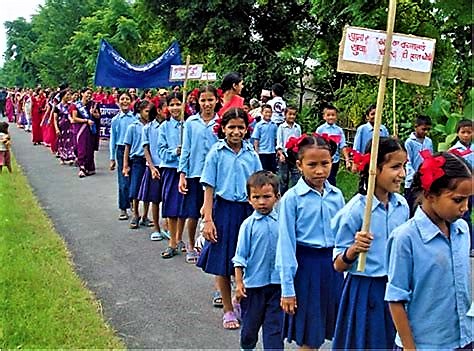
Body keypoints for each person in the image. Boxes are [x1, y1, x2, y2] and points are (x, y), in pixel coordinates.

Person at [385, 151, 473, 350]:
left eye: (468, 200)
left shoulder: (462, 230)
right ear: (430, 195)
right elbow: (395, 299)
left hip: (463, 339)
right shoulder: (405, 238)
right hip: (425, 344)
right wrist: (409, 348)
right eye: (458, 200)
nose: (465, 208)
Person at [331, 137, 409, 350]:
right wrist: (354, 249)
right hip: (367, 291)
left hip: (396, 287)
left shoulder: (402, 206)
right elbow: (338, 264)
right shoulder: (355, 210)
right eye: (395, 167)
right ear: (374, 169)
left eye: (404, 166)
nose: (402, 174)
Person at [276, 134, 345, 349]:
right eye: (312, 164)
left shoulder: (337, 195)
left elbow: (343, 237)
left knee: (336, 329)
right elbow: (285, 244)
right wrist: (287, 288)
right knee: (309, 335)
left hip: (333, 268)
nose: (319, 171)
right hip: (305, 268)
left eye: (325, 164)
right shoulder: (292, 198)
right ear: (299, 165)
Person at [197, 107, 262, 330]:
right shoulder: (216, 152)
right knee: (224, 262)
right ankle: (227, 309)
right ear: (223, 128)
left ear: (247, 129)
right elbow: (208, 186)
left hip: (248, 212)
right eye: (231, 127)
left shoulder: (251, 155)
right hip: (222, 211)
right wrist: (208, 218)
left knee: (248, 260)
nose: (236, 131)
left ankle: (240, 298)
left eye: (240, 127)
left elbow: (260, 185)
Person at [233, 170, 283, 350]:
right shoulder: (248, 225)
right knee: (250, 328)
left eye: (267, 196)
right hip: (253, 286)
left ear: (277, 197)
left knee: (275, 329)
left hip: (278, 285)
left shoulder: (283, 223)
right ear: (249, 199)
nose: (262, 202)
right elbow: (239, 258)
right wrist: (239, 284)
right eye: (256, 197)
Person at [178, 85, 219, 263]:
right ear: (198, 101)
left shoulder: (220, 123)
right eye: (203, 100)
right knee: (193, 212)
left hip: (216, 176)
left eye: (210, 100)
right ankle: (191, 244)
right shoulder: (191, 122)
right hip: (195, 174)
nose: (207, 104)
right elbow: (186, 149)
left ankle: (211, 245)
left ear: (216, 100)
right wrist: (182, 174)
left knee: (213, 212)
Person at [158, 92, 186, 258]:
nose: (176, 108)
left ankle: (179, 238)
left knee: (184, 207)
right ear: (167, 107)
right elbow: (160, 150)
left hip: (186, 170)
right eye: (172, 104)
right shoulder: (164, 127)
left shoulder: (188, 125)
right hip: (170, 169)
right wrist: (174, 152)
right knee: (171, 206)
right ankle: (172, 242)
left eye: (178, 104)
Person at [138, 100, 169, 241]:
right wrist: (151, 167)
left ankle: (167, 227)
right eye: (165, 107)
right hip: (154, 166)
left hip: (168, 166)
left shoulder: (171, 126)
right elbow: (146, 148)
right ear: (158, 110)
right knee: (155, 199)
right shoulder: (148, 128)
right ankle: (156, 227)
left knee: (168, 199)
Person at [123, 100, 152, 229]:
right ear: (140, 111)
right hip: (137, 160)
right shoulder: (133, 127)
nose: (148, 114)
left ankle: (145, 215)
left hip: (150, 161)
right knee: (135, 189)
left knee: (148, 190)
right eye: (146, 111)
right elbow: (127, 147)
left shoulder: (153, 125)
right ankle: (136, 214)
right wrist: (125, 164)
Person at [109, 91, 135, 219]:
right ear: (118, 102)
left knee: (134, 180)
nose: (125, 101)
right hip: (120, 150)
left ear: (131, 101)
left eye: (127, 99)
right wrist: (112, 158)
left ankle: (134, 205)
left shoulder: (135, 118)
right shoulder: (115, 120)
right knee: (123, 180)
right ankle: (123, 208)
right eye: (122, 99)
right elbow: (113, 139)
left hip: (134, 151)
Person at [449, 119, 473, 256]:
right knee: (465, 214)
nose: (466, 135)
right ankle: (467, 244)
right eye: (463, 132)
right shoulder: (454, 151)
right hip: (463, 188)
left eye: (469, 132)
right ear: (457, 133)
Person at [404, 115, 433, 215]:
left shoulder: (428, 141)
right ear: (416, 127)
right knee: (411, 205)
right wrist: (414, 175)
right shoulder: (409, 142)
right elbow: (408, 161)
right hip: (412, 180)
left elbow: (430, 158)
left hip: (425, 179)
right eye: (423, 129)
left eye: (428, 130)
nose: (425, 132)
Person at [315, 104, 351, 186]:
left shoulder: (339, 130)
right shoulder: (320, 130)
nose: (331, 117)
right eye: (328, 115)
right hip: (323, 160)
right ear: (324, 117)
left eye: (333, 115)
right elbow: (316, 144)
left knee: (332, 177)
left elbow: (343, 145)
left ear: (336, 116)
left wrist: (347, 160)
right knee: (327, 179)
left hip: (335, 160)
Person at [69, 88, 100, 178]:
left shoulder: (94, 105)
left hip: (90, 130)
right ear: (82, 93)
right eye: (87, 93)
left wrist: (94, 114)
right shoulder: (76, 105)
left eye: (91, 93)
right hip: (80, 129)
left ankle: (87, 167)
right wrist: (86, 120)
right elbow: (74, 118)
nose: (89, 95)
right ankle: (82, 167)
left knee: (89, 149)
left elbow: (98, 116)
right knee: (80, 148)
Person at [276, 106, 301, 194]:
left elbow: (299, 141)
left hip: (294, 156)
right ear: (285, 115)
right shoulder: (281, 127)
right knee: (283, 177)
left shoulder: (297, 127)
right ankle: (282, 196)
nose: (292, 116)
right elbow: (279, 142)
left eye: (294, 114)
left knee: (296, 176)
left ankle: (294, 195)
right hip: (284, 155)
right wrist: (281, 154)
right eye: (290, 114)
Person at [252, 104, 278, 173]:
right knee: (263, 171)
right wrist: (257, 152)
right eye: (266, 112)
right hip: (262, 152)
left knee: (272, 171)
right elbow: (256, 140)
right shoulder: (258, 125)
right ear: (262, 113)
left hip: (272, 152)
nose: (268, 114)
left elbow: (275, 139)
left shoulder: (274, 125)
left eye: (269, 112)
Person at [54, 90, 75, 165]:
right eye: (67, 95)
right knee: (62, 141)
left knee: (71, 141)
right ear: (63, 96)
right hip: (62, 126)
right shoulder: (57, 107)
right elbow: (55, 119)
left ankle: (71, 157)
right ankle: (62, 157)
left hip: (70, 126)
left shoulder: (71, 106)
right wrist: (56, 128)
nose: (69, 96)